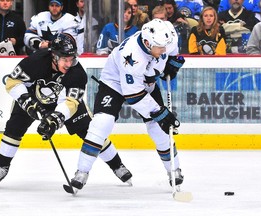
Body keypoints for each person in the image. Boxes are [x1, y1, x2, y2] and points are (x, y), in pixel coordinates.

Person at [0, 33, 132, 188]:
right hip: (33, 98)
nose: (69, 63)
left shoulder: (78, 74)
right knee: (14, 128)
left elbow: (70, 103)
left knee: (91, 132)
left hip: (65, 104)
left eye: (72, 59)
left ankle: (117, 165)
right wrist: (28, 103)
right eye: (65, 59)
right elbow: (12, 82)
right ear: (54, 56)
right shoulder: (35, 62)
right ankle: (2, 166)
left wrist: (55, 120)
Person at [70, 19, 185, 191]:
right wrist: (160, 113)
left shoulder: (165, 37)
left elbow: (173, 51)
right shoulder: (131, 56)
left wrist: (173, 64)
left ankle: (174, 170)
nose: (164, 51)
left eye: (165, 48)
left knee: (159, 130)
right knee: (101, 124)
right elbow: (133, 95)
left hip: (146, 83)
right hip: (114, 84)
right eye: (160, 48)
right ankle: (82, 172)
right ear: (147, 43)